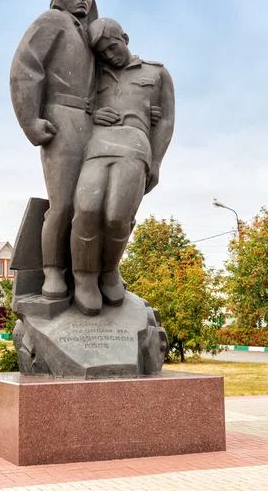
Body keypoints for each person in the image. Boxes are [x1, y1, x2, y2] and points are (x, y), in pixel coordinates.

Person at [70, 18, 175, 316]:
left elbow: (166, 120)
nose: (110, 55)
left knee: (117, 216)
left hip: (135, 144)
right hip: (98, 145)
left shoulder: (157, 73)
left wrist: (156, 162)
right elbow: (77, 108)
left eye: (113, 46)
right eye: (103, 52)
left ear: (125, 38)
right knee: (87, 209)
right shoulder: (92, 75)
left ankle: (108, 271)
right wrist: (92, 117)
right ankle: (85, 276)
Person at [10, 0, 98, 300]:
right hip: (60, 119)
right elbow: (26, 65)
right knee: (62, 205)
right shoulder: (52, 20)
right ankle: (52, 271)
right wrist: (30, 120)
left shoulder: (90, 35)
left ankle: (89, 274)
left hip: (92, 123)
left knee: (91, 205)